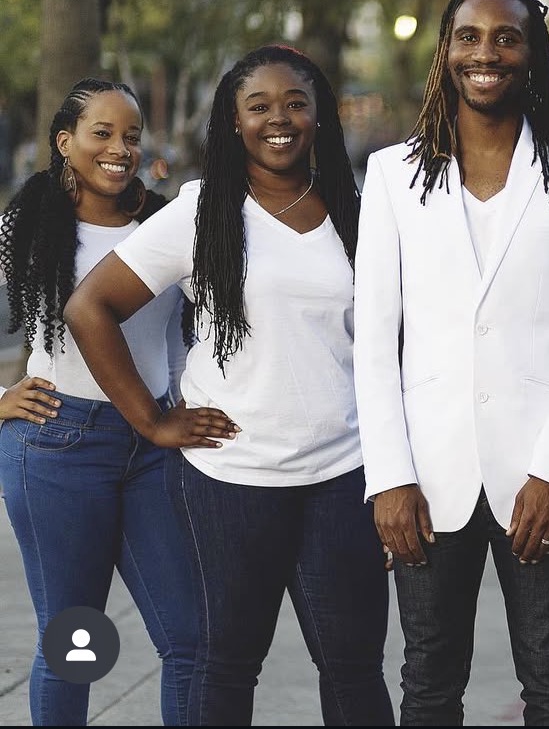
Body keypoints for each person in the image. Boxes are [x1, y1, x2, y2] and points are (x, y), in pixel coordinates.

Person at [63, 45, 394, 726]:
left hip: (344, 472)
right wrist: (152, 420)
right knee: (226, 664)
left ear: (320, 116)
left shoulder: (358, 210)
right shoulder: (203, 211)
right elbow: (89, 306)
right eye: (259, 106)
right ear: (234, 121)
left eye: (296, 103)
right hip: (231, 479)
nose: (280, 119)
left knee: (355, 667)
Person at [353, 0, 549, 726]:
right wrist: (389, 476)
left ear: (533, 55)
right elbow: (374, 339)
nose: (486, 53)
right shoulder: (392, 176)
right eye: (469, 37)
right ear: (446, 51)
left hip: (541, 479)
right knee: (428, 684)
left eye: (507, 38)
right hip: (425, 480)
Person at [0, 78, 197, 725]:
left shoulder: (166, 225)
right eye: (102, 133)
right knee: (74, 642)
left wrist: (179, 403)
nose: (120, 149)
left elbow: (180, 335)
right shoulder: (28, 225)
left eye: (131, 136)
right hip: (58, 444)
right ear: (65, 141)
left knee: (192, 639)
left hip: (152, 446)